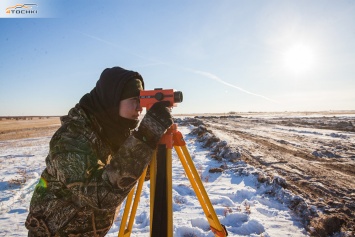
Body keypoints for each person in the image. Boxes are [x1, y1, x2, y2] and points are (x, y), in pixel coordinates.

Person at [25, 66, 173, 236]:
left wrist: (153, 142)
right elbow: (100, 195)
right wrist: (146, 135)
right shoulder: (71, 139)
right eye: (135, 100)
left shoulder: (112, 131)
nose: (140, 108)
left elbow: (141, 173)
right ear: (113, 99)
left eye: (141, 101)